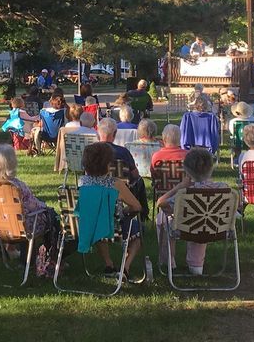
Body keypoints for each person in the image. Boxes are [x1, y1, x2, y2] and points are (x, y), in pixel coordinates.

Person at [0, 145, 61, 270]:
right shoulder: (16, 186)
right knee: (50, 215)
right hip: (17, 227)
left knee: (24, 219)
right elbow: (33, 206)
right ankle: (50, 258)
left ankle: (38, 259)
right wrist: (46, 208)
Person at [155, 148, 229, 274]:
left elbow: (160, 203)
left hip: (186, 229)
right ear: (211, 168)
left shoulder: (185, 193)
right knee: (202, 221)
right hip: (216, 228)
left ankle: (168, 260)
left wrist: (179, 187)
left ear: (187, 171)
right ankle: (196, 266)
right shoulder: (224, 189)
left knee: (162, 216)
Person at [79, 142, 143, 278]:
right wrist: (125, 212)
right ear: (108, 164)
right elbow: (137, 206)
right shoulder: (115, 184)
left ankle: (109, 264)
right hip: (113, 227)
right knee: (137, 230)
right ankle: (125, 267)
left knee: (97, 220)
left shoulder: (82, 183)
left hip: (89, 226)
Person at [97, 117, 148, 218]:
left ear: (98, 132)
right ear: (115, 133)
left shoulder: (91, 152)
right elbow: (135, 174)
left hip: (97, 190)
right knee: (140, 181)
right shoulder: (122, 152)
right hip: (121, 191)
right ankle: (142, 215)